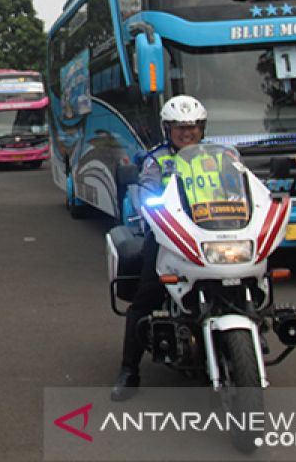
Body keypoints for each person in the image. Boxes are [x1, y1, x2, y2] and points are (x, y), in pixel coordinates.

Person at [111, 94, 207, 401]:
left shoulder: (221, 156)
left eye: (192, 126)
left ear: (202, 128)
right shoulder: (157, 160)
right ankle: (129, 371)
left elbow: (243, 184)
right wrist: (152, 211)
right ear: (168, 129)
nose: (186, 132)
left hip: (213, 233)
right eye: (179, 127)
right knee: (145, 298)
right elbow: (146, 193)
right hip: (169, 235)